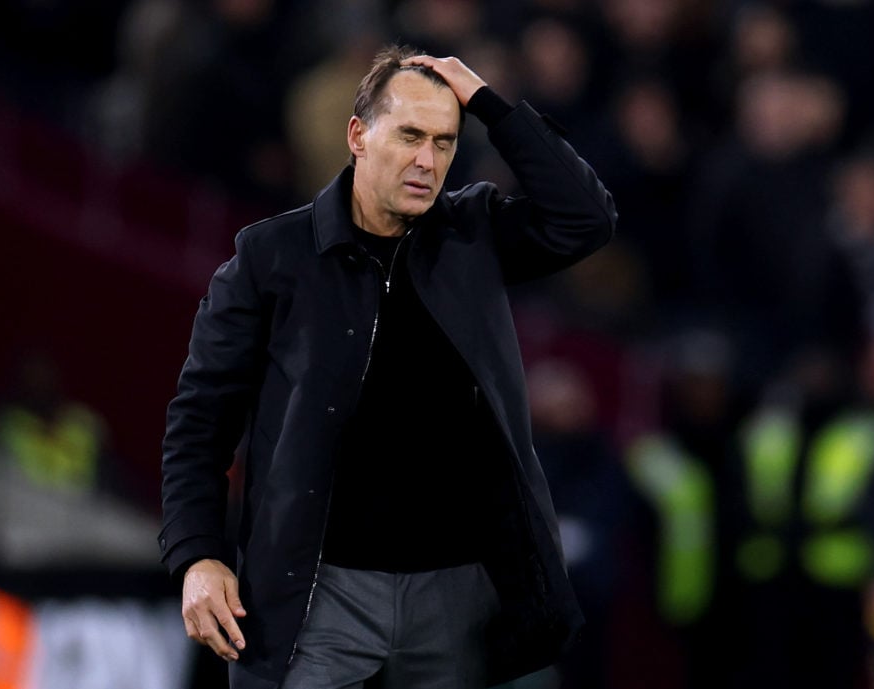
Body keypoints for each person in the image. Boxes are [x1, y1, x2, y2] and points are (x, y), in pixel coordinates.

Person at [158, 44, 617, 689]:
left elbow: (587, 218)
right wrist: (197, 555)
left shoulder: (473, 233)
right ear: (358, 135)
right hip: (317, 592)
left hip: (458, 595)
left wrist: (486, 101)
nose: (427, 162)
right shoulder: (271, 258)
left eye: (444, 142)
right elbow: (199, 422)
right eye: (409, 135)